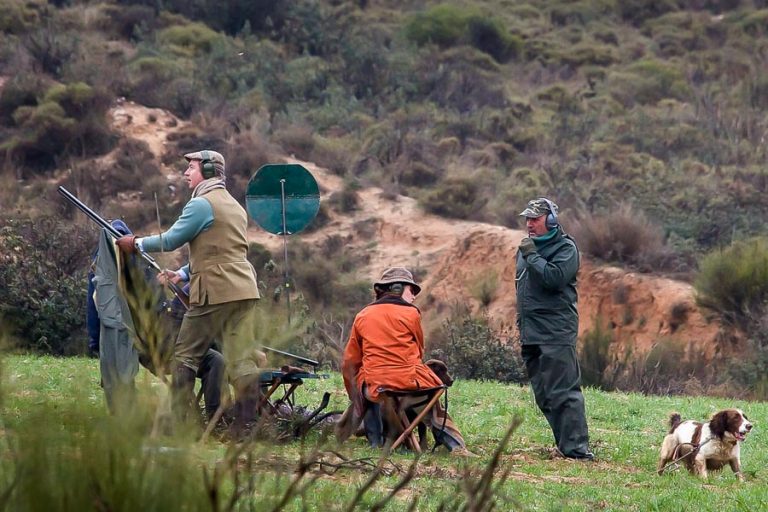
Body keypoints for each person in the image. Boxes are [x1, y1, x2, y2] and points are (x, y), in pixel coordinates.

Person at [116, 149, 261, 433]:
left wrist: (136, 243)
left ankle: (183, 424)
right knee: (242, 359)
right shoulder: (234, 206)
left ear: (207, 171)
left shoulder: (201, 205)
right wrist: (182, 273)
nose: (186, 173)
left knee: (185, 355)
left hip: (215, 291)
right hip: (244, 289)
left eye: (191, 167)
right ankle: (247, 428)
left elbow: (171, 240)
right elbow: (222, 250)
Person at [341, 267, 470, 454]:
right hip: (409, 383)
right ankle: (455, 445)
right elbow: (419, 350)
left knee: (364, 382)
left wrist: (353, 392)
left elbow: (350, 361)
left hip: (377, 387)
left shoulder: (362, 315)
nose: (414, 296)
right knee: (431, 402)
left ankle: (376, 440)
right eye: (412, 291)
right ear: (397, 289)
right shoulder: (412, 314)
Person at [515, 197, 593, 461]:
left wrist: (532, 256)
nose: (529, 224)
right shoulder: (527, 248)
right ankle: (564, 444)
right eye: (527, 219)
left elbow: (554, 278)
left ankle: (577, 450)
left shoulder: (565, 249)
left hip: (556, 333)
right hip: (532, 333)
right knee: (544, 395)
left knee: (564, 393)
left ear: (550, 221)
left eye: (535, 219)